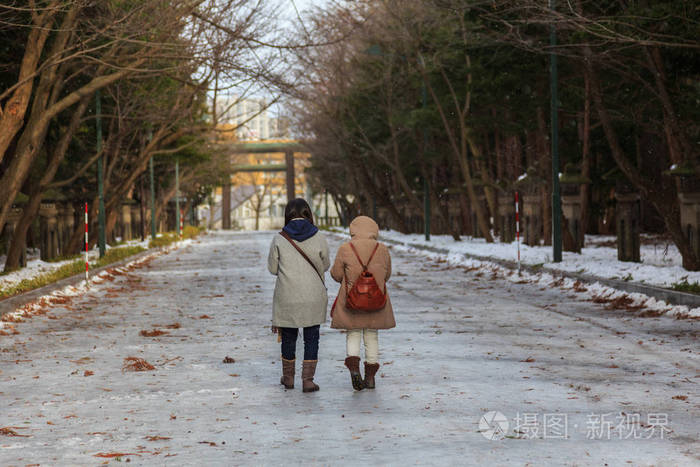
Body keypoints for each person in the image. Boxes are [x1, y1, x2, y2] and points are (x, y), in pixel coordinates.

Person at [268, 198, 330, 392]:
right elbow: (326, 265)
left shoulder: (280, 238)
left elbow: (272, 268)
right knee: (312, 338)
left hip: (288, 296)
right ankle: (308, 380)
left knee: (288, 337)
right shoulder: (318, 236)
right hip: (313, 296)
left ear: (287, 215)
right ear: (308, 213)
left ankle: (288, 378)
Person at [330, 215, 395, 390]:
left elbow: (336, 275)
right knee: (372, 336)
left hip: (352, 300)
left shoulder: (345, 248)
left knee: (353, 333)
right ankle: (371, 378)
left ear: (353, 231)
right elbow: (387, 275)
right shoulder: (382, 249)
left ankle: (354, 370)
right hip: (376, 300)